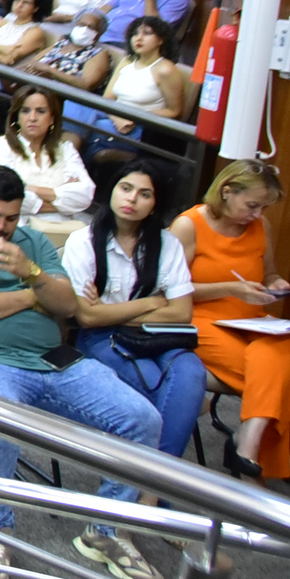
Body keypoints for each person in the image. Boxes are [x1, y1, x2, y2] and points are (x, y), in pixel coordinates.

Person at [0, 165, 165, 579]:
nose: (1, 227)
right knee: (2, 413)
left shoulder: (33, 244)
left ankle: (106, 531)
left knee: (143, 419)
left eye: (11, 218)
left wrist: (31, 271)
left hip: (53, 359)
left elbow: (66, 306)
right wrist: (32, 296)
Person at [64, 162, 206, 463]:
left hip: (157, 336)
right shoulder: (83, 241)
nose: (131, 199)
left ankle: (152, 477)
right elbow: (88, 318)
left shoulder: (167, 244)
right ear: (112, 191)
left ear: (155, 205)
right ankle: (158, 479)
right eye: (125, 188)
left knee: (192, 373)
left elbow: (182, 313)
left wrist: (110, 310)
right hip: (102, 338)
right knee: (158, 384)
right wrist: (151, 303)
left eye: (144, 194)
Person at [173, 160, 290, 483]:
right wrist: (231, 288)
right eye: (252, 205)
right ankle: (252, 458)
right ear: (226, 192)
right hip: (200, 319)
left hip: (252, 321)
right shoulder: (189, 225)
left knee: (278, 356)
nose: (257, 214)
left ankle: (246, 442)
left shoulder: (260, 226)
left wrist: (276, 283)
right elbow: (169, 289)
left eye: (263, 208)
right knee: (276, 377)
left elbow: (269, 273)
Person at [66, 16, 187, 153]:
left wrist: (135, 117)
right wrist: (116, 117)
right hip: (114, 115)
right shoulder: (127, 61)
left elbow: (175, 112)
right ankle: (66, 159)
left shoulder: (166, 70)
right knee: (70, 107)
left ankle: (66, 160)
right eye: (135, 34)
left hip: (139, 126)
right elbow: (108, 98)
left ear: (160, 40)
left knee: (88, 127)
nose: (138, 38)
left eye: (147, 33)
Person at [0, 85, 95, 219]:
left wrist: (29, 188)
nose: (32, 117)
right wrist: (60, 199)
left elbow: (86, 195)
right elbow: (3, 194)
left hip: (61, 227)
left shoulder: (66, 149)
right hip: (19, 225)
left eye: (41, 111)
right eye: (25, 111)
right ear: (17, 117)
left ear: (52, 119)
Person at [19, 10, 113, 97]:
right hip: (33, 87)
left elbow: (86, 85)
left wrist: (50, 71)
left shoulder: (98, 54)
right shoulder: (62, 44)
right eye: (82, 24)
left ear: (99, 34)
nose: (85, 29)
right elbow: (33, 63)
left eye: (91, 27)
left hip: (62, 97)